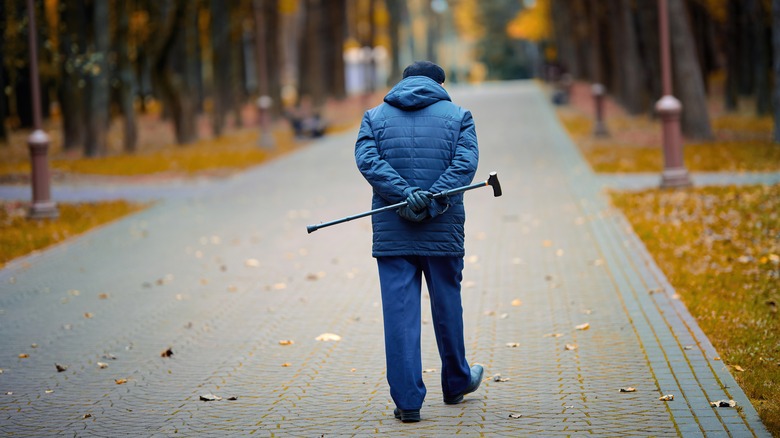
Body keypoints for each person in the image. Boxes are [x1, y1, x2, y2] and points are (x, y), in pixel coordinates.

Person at [354, 61, 484, 423]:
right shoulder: (459, 116)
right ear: (439, 84)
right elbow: (465, 164)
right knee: (448, 307)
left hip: (393, 230)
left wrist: (405, 194)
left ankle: (408, 402)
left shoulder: (373, 117)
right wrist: (433, 198)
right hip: (442, 229)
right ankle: (457, 382)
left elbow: (367, 160)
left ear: (404, 81)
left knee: (399, 315)